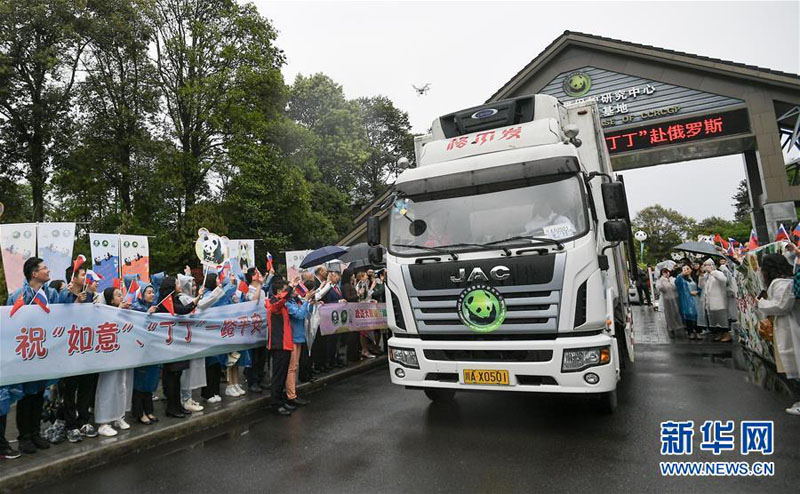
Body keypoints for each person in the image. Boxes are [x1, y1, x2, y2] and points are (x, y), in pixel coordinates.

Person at [3, 257, 59, 456]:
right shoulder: (18, 296)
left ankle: (36, 432)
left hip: (44, 352)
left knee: (38, 394)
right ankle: (24, 436)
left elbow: (63, 314)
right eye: (44, 268)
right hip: (25, 352)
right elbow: (10, 323)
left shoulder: (51, 294)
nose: (48, 270)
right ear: (34, 273)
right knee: (26, 396)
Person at [57, 264, 99, 442]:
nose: (86, 278)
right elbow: (59, 320)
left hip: (87, 348)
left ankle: (83, 421)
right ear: (73, 278)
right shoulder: (63, 296)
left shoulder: (89, 295)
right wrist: (76, 303)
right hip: (69, 350)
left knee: (86, 386)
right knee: (69, 389)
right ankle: (70, 424)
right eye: (83, 275)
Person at [756, 254, 800, 415]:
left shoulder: (781, 283)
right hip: (790, 325)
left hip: (790, 327)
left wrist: (761, 303)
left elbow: (782, 306)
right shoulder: (789, 280)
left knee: (796, 361)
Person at [155, 276, 199, 418]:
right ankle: (171, 407)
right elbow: (182, 310)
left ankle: (178, 405)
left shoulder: (175, 298)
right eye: (177, 282)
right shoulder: (165, 302)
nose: (179, 284)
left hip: (178, 344)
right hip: (170, 346)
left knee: (177, 376)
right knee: (171, 377)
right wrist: (196, 300)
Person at [94, 287, 134, 437]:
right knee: (108, 387)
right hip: (108, 357)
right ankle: (103, 422)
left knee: (122, 385)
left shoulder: (124, 312)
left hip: (122, 354)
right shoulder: (105, 312)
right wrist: (118, 310)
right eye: (118, 295)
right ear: (111, 300)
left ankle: (119, 415)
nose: (121, 297)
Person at [130, 284, 160, 425]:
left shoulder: (155, 307)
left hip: (152, 350)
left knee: (149, 382)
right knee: (139, 383)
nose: (152, 294)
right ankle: (139, 412)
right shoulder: (136, 307)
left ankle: (149, 410)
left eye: (153, 292)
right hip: (139, 350)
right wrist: (148, 313)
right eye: (149, 292)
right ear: (142, 294)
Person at [177, 274, 206, 412]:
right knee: (186, 371)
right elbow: (198, 305)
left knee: (191, 369)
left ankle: (188, 397)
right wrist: (200, 296)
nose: (194, 288)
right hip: (185, 339)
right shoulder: (182, 298)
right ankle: (185, 399)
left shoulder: (188, 298)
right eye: (191, 285)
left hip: (193, 338)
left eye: (195, 285)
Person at [267, 277, 295, 416]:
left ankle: (281, 400)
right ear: (278, 291)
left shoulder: (282, 302)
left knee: (282, 375)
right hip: (279, 344)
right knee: (278, 376)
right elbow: (277, 304)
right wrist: (290, 288)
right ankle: (275, 404)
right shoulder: (273, 302)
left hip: (285, 344)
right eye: (284, 289)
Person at [286, 280, 315, 408]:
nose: (295, 292)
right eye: (292, 290)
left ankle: (293, 393)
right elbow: (299, 314)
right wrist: (305, 301)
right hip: (291, 337)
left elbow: (307, 313)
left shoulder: (295, 301)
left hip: (298, 336)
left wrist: (309, 302)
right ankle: (291, 396)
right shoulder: (287, 303)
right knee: (291, 368)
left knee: (294, 366)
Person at [699, 259, 731, 342]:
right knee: (713, 319)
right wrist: (702, 275)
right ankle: (718, 334)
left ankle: (726, 334)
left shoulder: (718, 273)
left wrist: (712, 272)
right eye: (705, 265)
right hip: (709, 302)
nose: (707, 267)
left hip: (719, 301)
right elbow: (701, 286)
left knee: (722, 318)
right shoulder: (707, 276)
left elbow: (724, 280)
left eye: (708, 265)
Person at [655, 268, 683, 336]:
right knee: (669, 314)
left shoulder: (673, 279)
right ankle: (671, 328)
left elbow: (677, 286)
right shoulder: (660, 280)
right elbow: (660, 288)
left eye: (667, 272)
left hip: (676, 298)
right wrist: (663, 282)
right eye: (664, 272)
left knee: (677, 312)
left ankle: (679, 326)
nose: (666, 274)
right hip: (667, 299)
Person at [675, 265, 700, 340]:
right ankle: (691, 332)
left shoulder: (695, 278)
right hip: (686, 299)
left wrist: (698, 292)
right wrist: (682, 274)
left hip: (696, 299)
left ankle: (698, 332)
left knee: (698, 315)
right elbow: (677, 282)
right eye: (684, 269)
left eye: (688, 268)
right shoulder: (681, 279)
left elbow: (701, 287)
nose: (687, 270)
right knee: (689, 315)